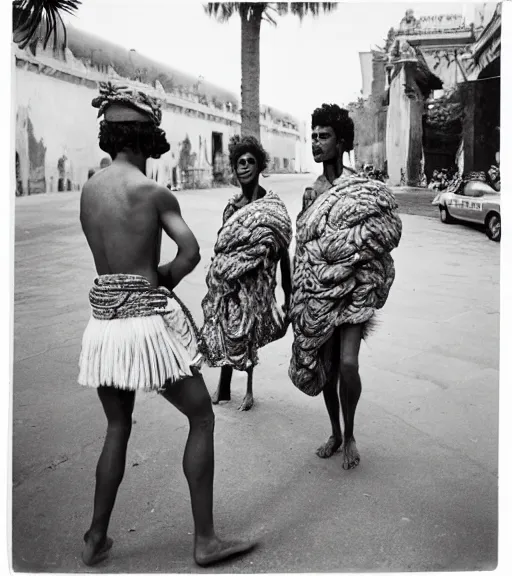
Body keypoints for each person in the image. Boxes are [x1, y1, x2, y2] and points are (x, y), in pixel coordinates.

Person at [78, 82, 255, 567]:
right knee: (201, 415)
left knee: (117, 426)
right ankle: (205, 540)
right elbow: (191, 251)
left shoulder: (89, 190)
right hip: (146, 327)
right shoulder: (153, 191)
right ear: (143, 137)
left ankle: (95, 536)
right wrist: (161, 279)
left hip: (103, 328)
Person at [288, 104, 402, 469]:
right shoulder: (312, 192)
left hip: (354, 289)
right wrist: (297, 294)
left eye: (324, 137)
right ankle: (335, 432)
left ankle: (350, 433)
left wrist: (361, 271)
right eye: (314, 136)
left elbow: (377, 235)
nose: (316, 143)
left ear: (341, 142)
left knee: (348, 364)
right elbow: (304, 245)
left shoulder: (359, 187)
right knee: (328, 369)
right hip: (320, 292)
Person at [200, 135, 292, 411]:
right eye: (240, 162)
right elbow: (224, 245)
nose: (245, 167)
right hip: (231, 279)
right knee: (227, 324)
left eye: (251, 161)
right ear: (235, 167)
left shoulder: (270, 205)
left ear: (259, 165)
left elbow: (283, 247)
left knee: (248, 329)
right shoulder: (232, 207)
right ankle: (224, 386)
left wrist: (288, 293)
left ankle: (249, 389)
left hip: (258, 280)